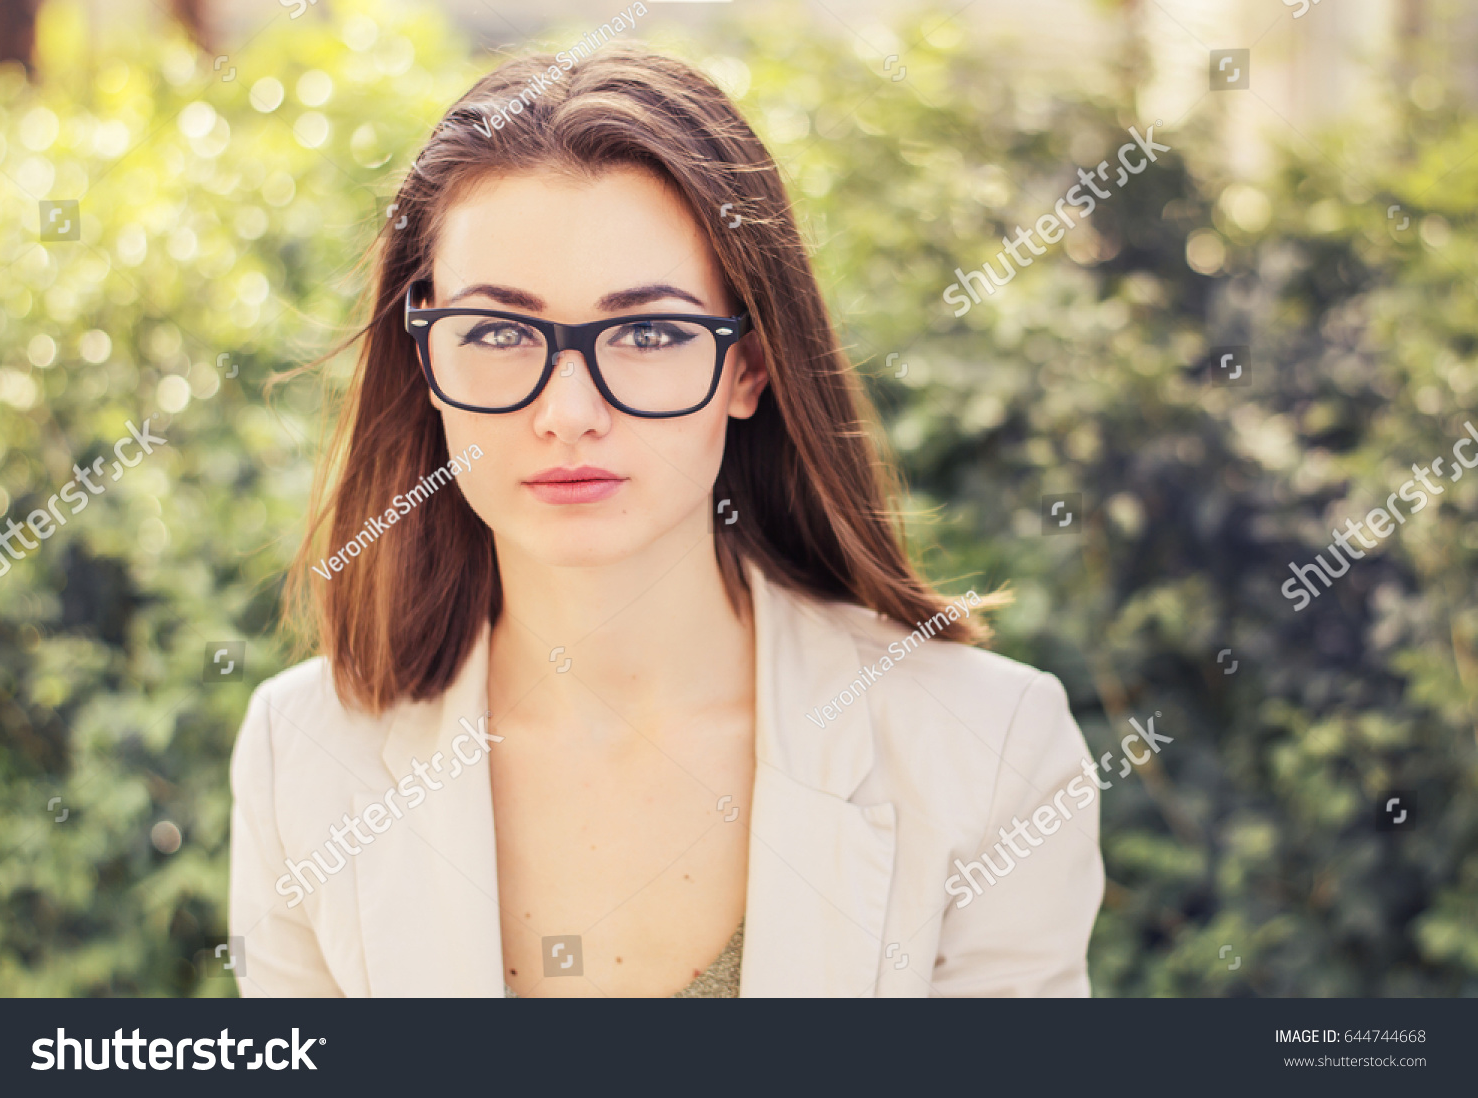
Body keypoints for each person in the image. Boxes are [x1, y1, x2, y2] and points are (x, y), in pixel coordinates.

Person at [228, 44, 1103, 997]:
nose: (567, 413)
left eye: (646, 333)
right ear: (424, 353)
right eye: (496, 332)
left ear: (749, 365)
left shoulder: (989, 749)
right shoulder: (303, 754)